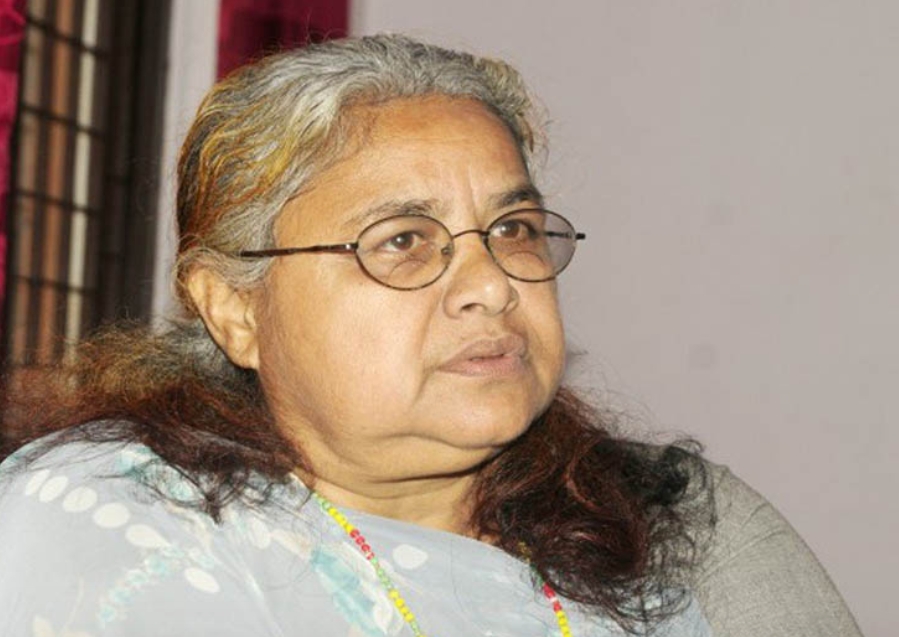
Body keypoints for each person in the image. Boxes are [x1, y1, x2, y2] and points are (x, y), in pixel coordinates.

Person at [0, 35, 861, 637]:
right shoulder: (110, 527)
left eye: (513, 228)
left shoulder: (677, 524)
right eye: (403, 240)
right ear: (234, 308)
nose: (492, 284)